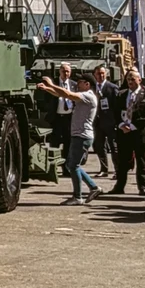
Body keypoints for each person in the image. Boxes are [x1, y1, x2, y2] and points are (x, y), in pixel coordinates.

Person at [37, 74, 102, 206]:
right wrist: (47, 89)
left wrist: (51, 84)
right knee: (71, 165)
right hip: (79, 135)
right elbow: (61, 95)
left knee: (73, 165)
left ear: (87, 84)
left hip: (82, 136)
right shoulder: (85, 96)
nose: (77, 84)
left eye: (80, 82)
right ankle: (93, 188)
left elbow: (67, 94)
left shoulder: (88, 96)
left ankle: (78, 196)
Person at [110, 69, 145, 196]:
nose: (130, 82)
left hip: (139, 133)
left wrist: (133, 126)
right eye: (128, 79)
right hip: (123, 132)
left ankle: (143, 187)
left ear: (139, 80)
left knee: (142, 161)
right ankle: (119, 186)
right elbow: (116, 112)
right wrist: (121, 125)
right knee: (123, 161)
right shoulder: (121, 94)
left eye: (133, 79)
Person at [93, 65, 119, 177]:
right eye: (98, 73)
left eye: (103, 73)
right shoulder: (92, 88)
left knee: (114, 147)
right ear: (94, 75)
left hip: (110, 122)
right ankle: (104, 169)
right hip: (97, 122)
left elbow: (117, 106)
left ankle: (118, 170)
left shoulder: (112, 87)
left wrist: (116, 121)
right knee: (99, 146)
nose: (101, 75)